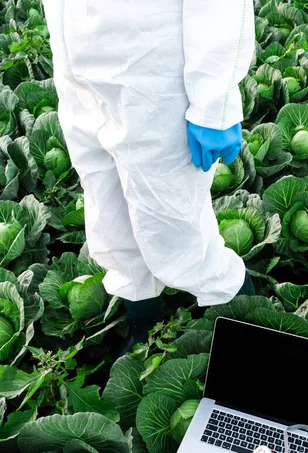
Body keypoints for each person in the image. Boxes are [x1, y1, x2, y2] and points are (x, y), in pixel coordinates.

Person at [42, 0, 256, 348]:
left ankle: (249, 325)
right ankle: (143, 322)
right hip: (77, 73)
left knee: (176, 223)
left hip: (154, 69)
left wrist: (214, 102)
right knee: (109, 213)